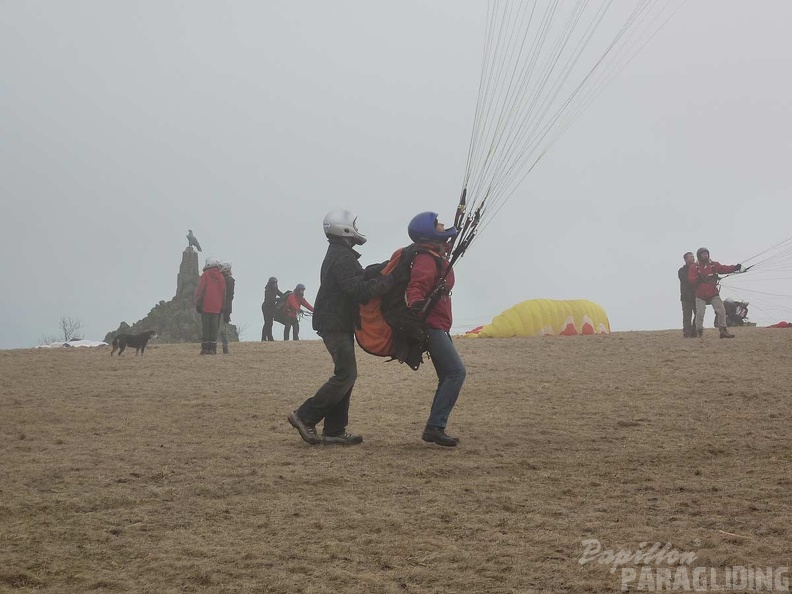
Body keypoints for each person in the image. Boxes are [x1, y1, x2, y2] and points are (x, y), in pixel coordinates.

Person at [287, 209, 402, 445]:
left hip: (336, 321)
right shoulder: (342, 256)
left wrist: (384, 267)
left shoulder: (340, 254)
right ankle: (305, 416)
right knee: (346, 374)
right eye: (353, 225)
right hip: (334, 323)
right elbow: (358, 289)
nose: (357, 229)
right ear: (345, 229)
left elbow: (357, 278)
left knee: (346, 375)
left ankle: (335, 430)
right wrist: (389, 281)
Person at [404, 211, 466, 447]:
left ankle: (435, 427)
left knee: (448, 375)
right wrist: (416, 303)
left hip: (439, 324)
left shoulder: (435, 254)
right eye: (437, 224)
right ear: (428, 232)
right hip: (431, 325)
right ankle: (434, 427)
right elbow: (417, 285)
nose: (442, 225)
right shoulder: (425, 258)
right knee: (455, 373)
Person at [688, 247, 741, 339]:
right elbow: (691, 279)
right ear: (699, 256)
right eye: (703, 254)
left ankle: (723, 330)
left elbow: (724, 268)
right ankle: (698, 331)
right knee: (700, 313)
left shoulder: (713, 265)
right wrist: (697, 279)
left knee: (721, 310)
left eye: (706, 254)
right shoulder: (694, 267)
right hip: (700, 294)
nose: (705, 256)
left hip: (713, 293)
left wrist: (735, 268)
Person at [196, 258, 226, 354]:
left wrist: (198, 303)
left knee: (206, 328)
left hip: (206, 305)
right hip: (217, 307)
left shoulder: (206, 275)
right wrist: (222, 306)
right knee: (214, 329)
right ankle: (213, 349)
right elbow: (224, 293)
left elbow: (201, 289)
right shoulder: (221, 277)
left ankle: (205, 349)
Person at [678, 252, 696, 338]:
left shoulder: (698, 268)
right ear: (686, 259)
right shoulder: (682, 271)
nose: (693, 258)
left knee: (699, 314)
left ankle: (695, 330)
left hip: (697, 296)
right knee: (687, 316)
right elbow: (687, 280)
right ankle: (687, 332)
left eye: (693, 257)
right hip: (686, 296)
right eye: (691, 257)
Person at [219, 262, 235, 354]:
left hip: (220, 307)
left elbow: (229, 296)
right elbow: (230, 297)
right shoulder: (229, 280)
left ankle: (224, 348)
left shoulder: (223, 280)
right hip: (225, 307)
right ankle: (225, 349)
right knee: (223, 329)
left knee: (220, 328)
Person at [261, 277, 283, 341]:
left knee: (270, 323)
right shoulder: (267, 290)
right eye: (273, 283)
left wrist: (286, 296)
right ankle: (264, 338)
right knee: (267, 323)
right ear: (270, 283)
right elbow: (271, 300)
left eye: (275, 283)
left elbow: (280, 294)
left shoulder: (275, 289)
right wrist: (279, 299)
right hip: (266, 307)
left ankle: (269, 338)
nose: (275, 285)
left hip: (271, 308)